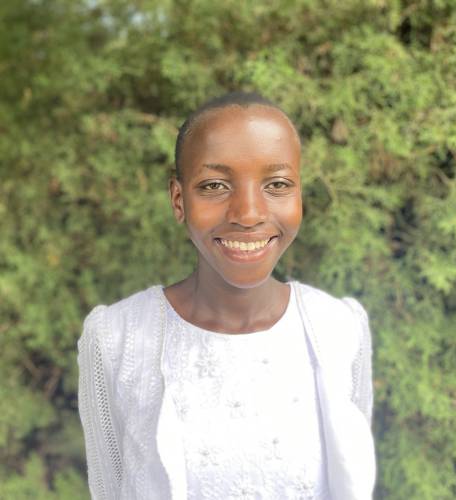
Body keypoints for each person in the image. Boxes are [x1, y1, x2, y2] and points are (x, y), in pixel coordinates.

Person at [77, 92, 376, 500]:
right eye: (214, 185)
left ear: (299, 195)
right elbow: (108, 488)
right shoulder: (118, 338)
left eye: (277, 184)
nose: (248, 214)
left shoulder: (339, 328)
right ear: (179, 200)